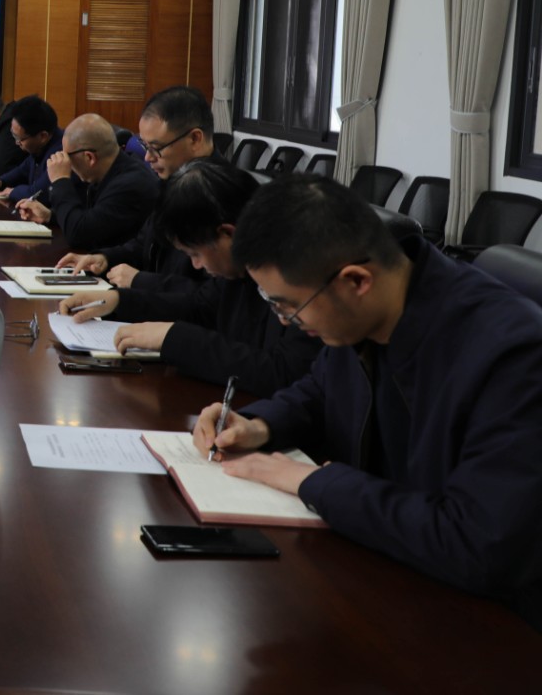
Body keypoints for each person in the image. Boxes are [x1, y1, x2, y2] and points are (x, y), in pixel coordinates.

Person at [192, 175, 542, 629]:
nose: (286, 322)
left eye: (288, 307)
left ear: (355, 280)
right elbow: (319, 389)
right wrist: (259, 425)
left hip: (484, 625)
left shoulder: (512, 355)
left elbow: (478, 544)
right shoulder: (364, 309)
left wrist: (313, 482)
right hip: (381, 569)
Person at [58, 160, 321, 396]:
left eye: (195, 253)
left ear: (227, 234)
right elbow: (199, 306)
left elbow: (282, 372)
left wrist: (174, 338)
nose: (196, 265)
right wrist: (119, 300)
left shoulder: (301, 276)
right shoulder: (239, 268)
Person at [58, 86, 218, 291]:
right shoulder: (172, 181)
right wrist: (104, 258)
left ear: (194, 139)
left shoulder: (222, 196)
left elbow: (214, 295)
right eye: (145, 147)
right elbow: (144, 244)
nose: (147, 157)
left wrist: (140, 280)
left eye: (156, 148)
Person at [17, 113, 157, 251]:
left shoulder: (129, 184)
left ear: (89, 158)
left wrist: (60, 181)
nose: (66, 163)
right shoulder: (108, 171)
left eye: (67, 156)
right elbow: (90, 219)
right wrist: (50, 215)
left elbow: (79, 235)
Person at [0, 95, 62, 200]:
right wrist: (1, 181)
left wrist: (12, 192)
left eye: (19, 138)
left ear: (43, 136)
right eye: (13, 135)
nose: (16, 142)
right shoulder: (40, 147)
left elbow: (37, 193)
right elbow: (24, 169)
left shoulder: (60, 154)